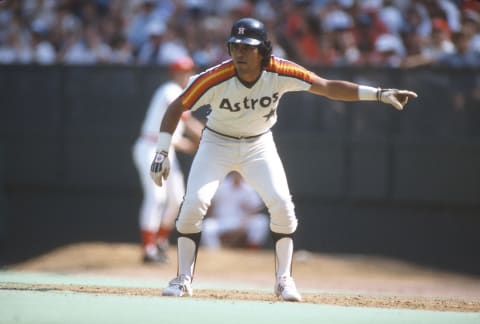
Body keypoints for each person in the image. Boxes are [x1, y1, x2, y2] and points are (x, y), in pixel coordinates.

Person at [150, 17, 417, 301]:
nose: (239, 52)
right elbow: (177, 106)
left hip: (258, 145)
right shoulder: (216, 77)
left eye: (247, 47)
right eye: (235, 46)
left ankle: (284, 280)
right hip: (216, 142)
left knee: (281, 204)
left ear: (263, 49)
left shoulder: (280, 71)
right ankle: (182, 279)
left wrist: (378, 94)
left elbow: (327, 87)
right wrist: (162, 152)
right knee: (192, 205)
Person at [133, 55, 203, 263]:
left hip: (165, 148)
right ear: (174, 73)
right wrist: (208, 135)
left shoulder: (181, 93)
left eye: (189, 71)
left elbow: (174, 135)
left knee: (178, 199)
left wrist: (188, 145)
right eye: (182, 71)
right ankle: (148, 249)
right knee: (157, 198)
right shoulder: (169, 90)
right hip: (149, 147)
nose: (186, 74)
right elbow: (187, 122)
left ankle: (160, 242)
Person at [201, 171, 269, 250]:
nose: (237, 175)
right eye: (235, 173)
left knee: (261, 221)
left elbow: (254, 209)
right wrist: (211, 216)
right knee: (207, 226)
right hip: (221, 221)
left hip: (241, 221)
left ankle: (252, 251)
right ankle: (215, 254)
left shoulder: (248, 188)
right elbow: (210, 204)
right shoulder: (221, 186)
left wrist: (243, 223)